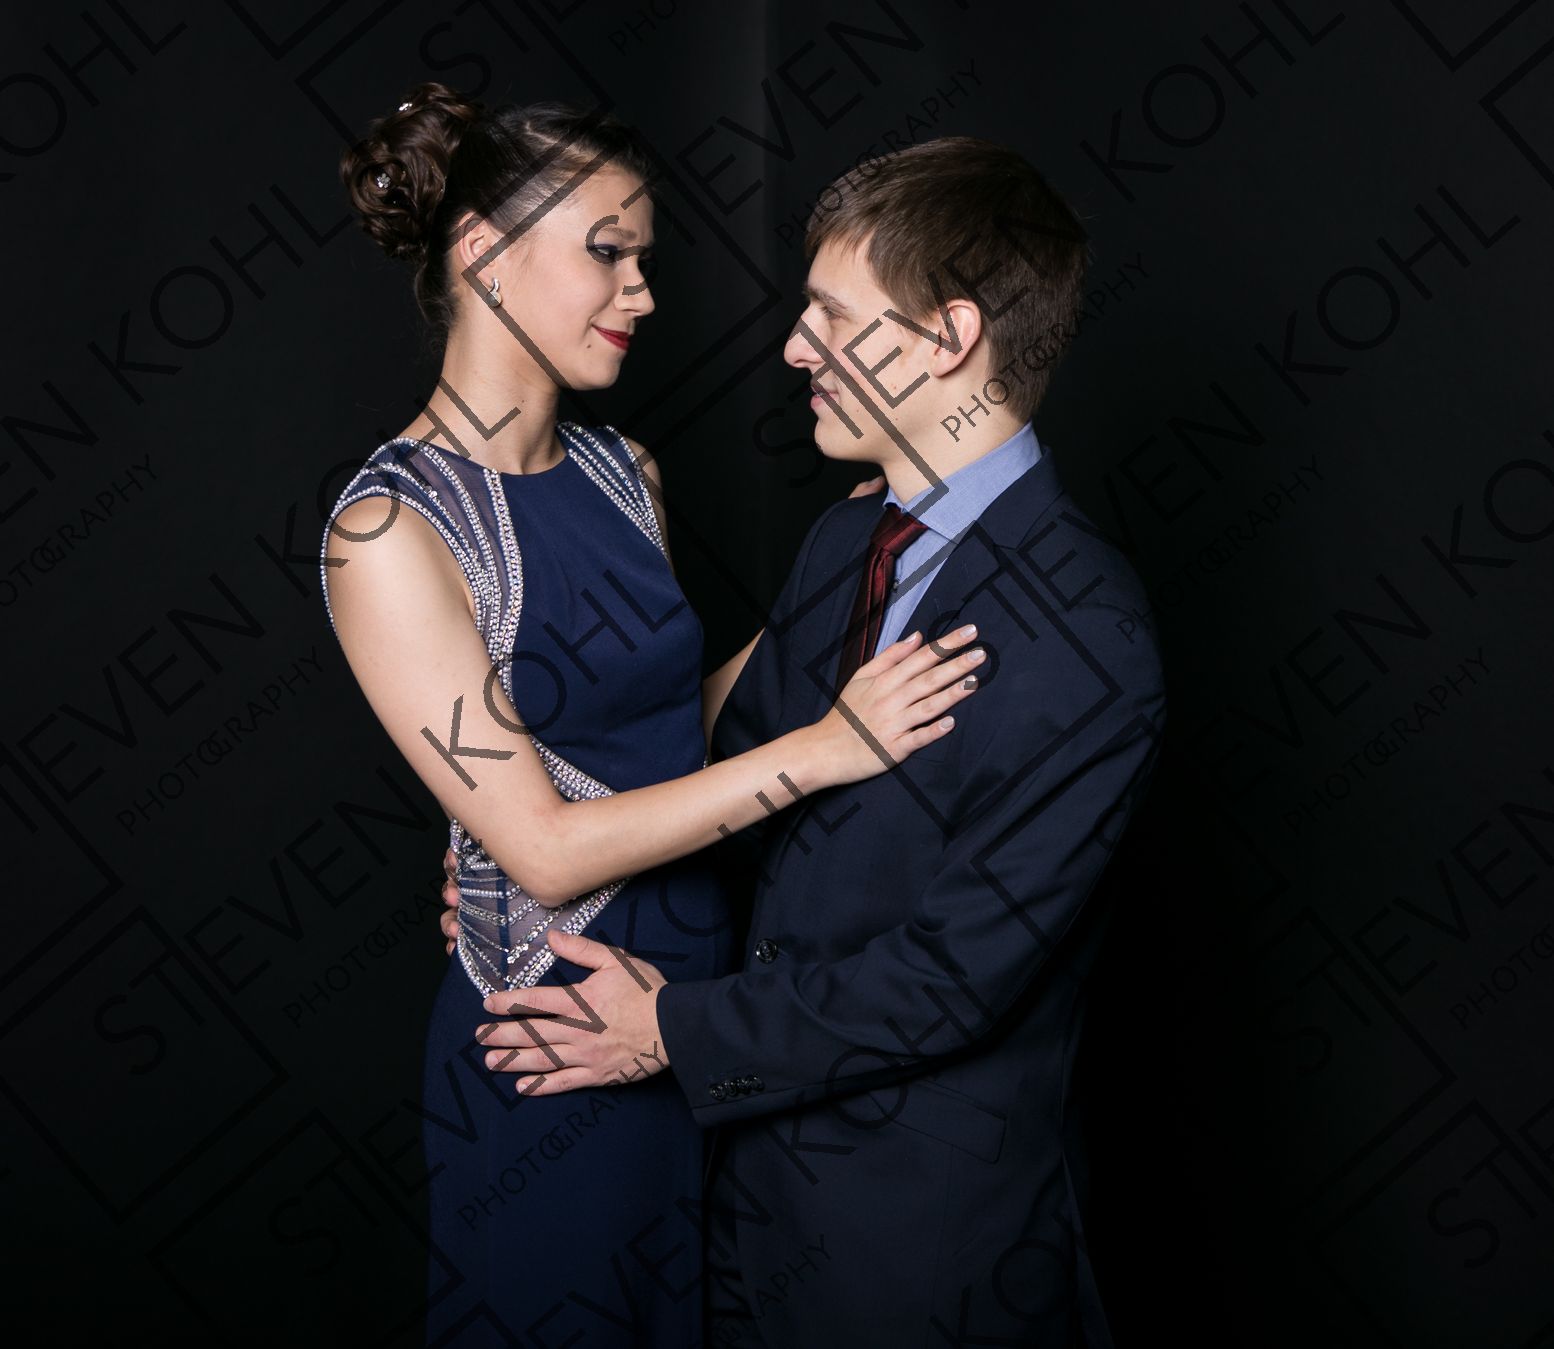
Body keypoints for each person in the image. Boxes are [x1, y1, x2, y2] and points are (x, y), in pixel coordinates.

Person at [463, 136, 1168, 1345]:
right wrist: (521, 866)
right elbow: (718, 796)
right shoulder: (847, 542)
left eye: (832, 317)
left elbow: (952, 979)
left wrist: (668, 1031)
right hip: (733, 1210)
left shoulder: (1090, 637)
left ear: (948, 337)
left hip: (920, 1259)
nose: (794, 348)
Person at [320, 84, 984, 1347]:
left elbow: (667, 728)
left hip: (692, 1007)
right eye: (608, 252)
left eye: (645, 259)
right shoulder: (388, 529)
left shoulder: (625, 471)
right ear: (484, 254)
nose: (642, 293)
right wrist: (828, 748)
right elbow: (542, 847)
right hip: (554, 1032)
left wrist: (850, 578)